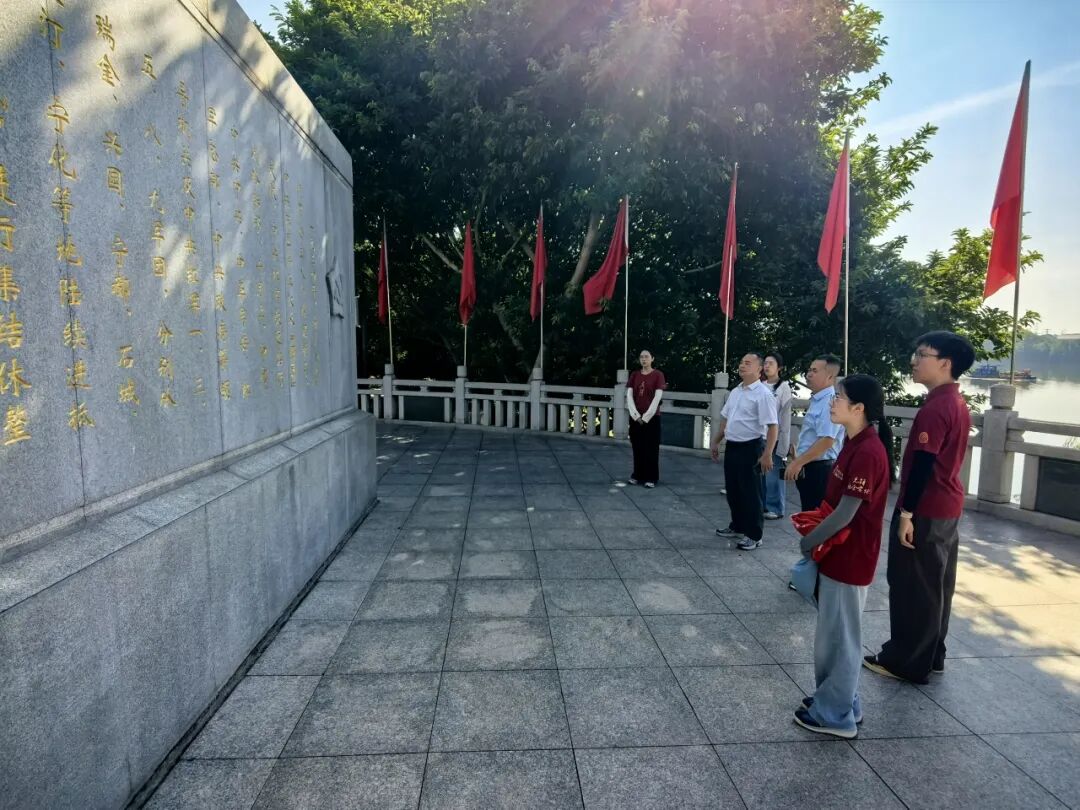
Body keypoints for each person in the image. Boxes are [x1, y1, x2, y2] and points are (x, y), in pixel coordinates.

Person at [864, 331, 975, 684]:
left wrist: (907, 514)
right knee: (936, 584)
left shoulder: (936, 408)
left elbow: (924, 465)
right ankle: (932, 655)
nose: (914, 361)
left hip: (925, 508)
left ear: (945, 363)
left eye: (922, 354)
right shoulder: (955, 402)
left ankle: (907, 661)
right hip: (946, 505)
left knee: (913, 584)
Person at [793, 374, 895, 739]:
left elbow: (846, 512)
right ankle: (840, 700)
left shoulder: (867, 451)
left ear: (859, 408)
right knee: (834, 635)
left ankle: (835, 716)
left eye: (838, 397)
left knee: (840, 639)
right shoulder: (853, 441)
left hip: (850, 556)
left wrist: (810, 541)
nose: (832, 402)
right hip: (838, 553)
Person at [711, 352, 778, 550]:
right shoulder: (736, 391)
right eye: (741, 362)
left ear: (759, 369)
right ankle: (738, 526)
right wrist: (716, 441)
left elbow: (773, 426)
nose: (742, 365)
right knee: (733, 490)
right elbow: (725, 419)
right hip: (733, 446)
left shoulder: (763, 394)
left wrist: (767, 454)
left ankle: (754, 535)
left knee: (751, 493)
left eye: (748, 363)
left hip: (751, 447)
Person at [785, 354, 845, 510]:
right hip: (810, 465)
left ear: (829, 376)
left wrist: (798, 462)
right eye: (809, 370)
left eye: (815, 371)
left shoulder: (829, 402)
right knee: (808, 512)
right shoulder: (818, 400)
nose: (809, 374)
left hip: (820, 470)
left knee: (815, 515)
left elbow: (827, 440)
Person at [626, 349, 666, 488]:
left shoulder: (658, 375)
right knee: (637, 447)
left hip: (652, 418)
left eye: (646, 357)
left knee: (651, 448)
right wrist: (636, 416)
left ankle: (651, 477)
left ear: (652, 358)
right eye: (641, 357)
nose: (644, 359)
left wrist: (646, 417)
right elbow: (629, 396)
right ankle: (637, 475)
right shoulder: (635, 375)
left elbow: (657, 397)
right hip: (635, 418)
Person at [760, 352, 793, 519]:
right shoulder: (760, 385)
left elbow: (785, 417)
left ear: (779, 367)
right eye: (765, 363)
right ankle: (763, 505)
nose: (767, 366)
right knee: (761, 474)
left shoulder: (783, 387)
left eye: (771, 363)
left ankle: (776, 508)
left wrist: (784, 441)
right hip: (759, 436)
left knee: (773, 474)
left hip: (776, 437)